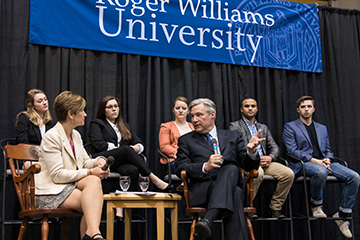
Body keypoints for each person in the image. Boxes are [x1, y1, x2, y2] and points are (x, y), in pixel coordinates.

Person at [175, 98, 263, 240]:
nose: (194, 119)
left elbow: (248, 166)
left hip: (227, 185)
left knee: (231, 168)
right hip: (204, 191)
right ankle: (208, 220)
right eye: (192, 116)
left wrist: (252, 152)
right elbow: (180, 167)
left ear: (212, 114)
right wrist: (205, 167)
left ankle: (207, 220)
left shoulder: (233, 136)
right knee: (236, 192)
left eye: (199, 115)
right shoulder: (186, 140)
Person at [35, 91, 110, 240]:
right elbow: (57, 175)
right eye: (81, 110)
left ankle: (93, 234)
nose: (85, 114)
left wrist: (99, 161)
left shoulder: (75, 135)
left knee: (93, 185)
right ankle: (93, 234)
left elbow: (84, 162)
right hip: (49, 191)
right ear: (71, 114)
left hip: (67, 186)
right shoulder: (52, 137)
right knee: (92, 201)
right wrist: (90, 172)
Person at [283, 95, 360, 238]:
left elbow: (328, 149)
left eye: (309, 106)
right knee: (320, 172)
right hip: (303, 164)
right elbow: (291, 151)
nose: (306, 109)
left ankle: (343, 215)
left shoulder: (322, 128)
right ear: (298, 110)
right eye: (303, 107)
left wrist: (328, 160)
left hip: (324, 163)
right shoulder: (290, 127)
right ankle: (317, 205)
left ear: (314, 109)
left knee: (354, 177)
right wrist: (314, 160)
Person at [89, 96, 173, 200]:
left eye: (116, 106)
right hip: (103, 160)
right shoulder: (97, 123)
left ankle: (123, 207)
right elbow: (99, 144)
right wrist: (121, 150)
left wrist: (133, 149)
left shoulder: (125, 126)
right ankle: (153, 178)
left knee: (133, 170)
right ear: (103, 110)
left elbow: (140, 144)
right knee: (126, 149)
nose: (114, 109)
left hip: (120, 162)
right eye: (109, 107)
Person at [229, 97, 294, 219]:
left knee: (288, 174)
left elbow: (275, 147)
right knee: (258, 174)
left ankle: (275, 207)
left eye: (253, 106)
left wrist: (270, 157)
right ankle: (247, 206)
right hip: (248, 162)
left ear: (257, 109)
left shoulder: (263, 127)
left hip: (265, 162)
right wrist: (253, 157)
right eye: (247, 106)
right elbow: (236, 149)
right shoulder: (235, 126)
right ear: (241, 109)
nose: (250, 108)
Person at [159, 96, 194, 191]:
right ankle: (186, 182)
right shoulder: (166, 126)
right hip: (175, 159)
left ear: (188, 111)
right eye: (177, 108)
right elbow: (164, 147)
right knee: (187, 165)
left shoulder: (194, 127)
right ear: (173, 110)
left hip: (193, 158)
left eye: (184, 108)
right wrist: (179, 154)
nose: (180, 111)